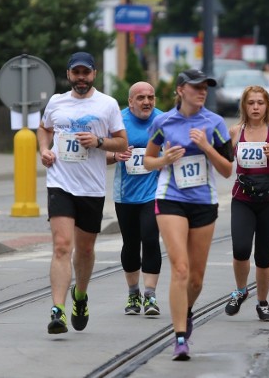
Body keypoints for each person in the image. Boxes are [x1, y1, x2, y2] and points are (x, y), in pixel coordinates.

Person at [143, 69, 234, 361]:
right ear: (181, 90)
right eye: (196, 87)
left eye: (205, 87)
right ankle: (180, 337)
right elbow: (147, 160)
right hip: (170, 198)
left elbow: (227, 169)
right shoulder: (163, 122)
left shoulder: (215, 123)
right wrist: (163, 160)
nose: (202, 91)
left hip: (203, 202)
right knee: (180, 268)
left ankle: (187, 309)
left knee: (196, 279)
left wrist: (206, 146)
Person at [38, 52, 128, 334]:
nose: (81, 78)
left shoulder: (107, 104)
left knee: (86, 250)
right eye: (76, 73)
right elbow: (44, 128)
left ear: (94, 75)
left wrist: (99, 141)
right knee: (63, 245)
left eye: (85, 73)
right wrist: (44, 149)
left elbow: (122, 142)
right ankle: (57, 310)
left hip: (91, 187)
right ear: (68, 75)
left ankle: (80, 295)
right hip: (60, 183)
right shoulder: (56, 102)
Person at [224, 86, 269, 321]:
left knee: (264, 256)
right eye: (251, 103)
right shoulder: (235, 131)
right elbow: (223, 163)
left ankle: (262, 302)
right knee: (241, 248)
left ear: (268, 106)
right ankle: (241, 290)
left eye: (260, 103)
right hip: (243, 198)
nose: (256, 107)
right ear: (244, 106)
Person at [109, 81, 163, 316]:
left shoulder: (163, 120)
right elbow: (99, 156)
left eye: (150, 97)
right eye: (140, 98)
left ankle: (150, 295)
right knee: (131, 244)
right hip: (126, 195)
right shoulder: (118, 122)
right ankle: (133, 293)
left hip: (154, 193)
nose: (146, 102)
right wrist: (115, 155)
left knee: (150, 238)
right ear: (130, 101)